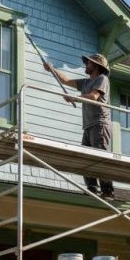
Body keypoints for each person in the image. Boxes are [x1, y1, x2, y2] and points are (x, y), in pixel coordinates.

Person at [42, 53, 114, 199]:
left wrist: (73, 98)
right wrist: (52, 69)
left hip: (100, 124)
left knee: (100, 157)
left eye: (89, 63)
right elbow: (67, 81)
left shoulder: (102, 79)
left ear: (97, 66)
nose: (86, 65)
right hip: (88, 126)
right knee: (85, 158)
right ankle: (92, 188)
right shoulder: (86, 82)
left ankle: (107, 191)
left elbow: (94, 96)